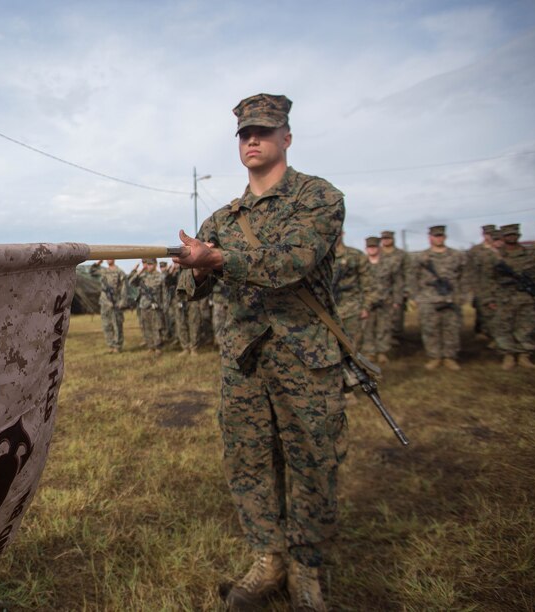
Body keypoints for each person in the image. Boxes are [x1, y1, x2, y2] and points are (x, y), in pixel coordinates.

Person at [173, 93, 345, 611]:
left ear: (286, 138)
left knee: (313, 459)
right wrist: (197, 269)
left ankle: (308, 569)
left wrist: (220, 257)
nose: (252, 140)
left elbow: (292, 260)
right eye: (245, 133)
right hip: (244, 362)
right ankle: (269, 557)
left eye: (264, 132)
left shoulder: (319, 198)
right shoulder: (223, 217)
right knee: (248, 461)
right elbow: (187, 290)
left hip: (305, 357)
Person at [406, 225, 465, 371]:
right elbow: (412, 277)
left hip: (451, 299)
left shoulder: (456, 256)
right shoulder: (421, 257)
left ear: (444, 237)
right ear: (430, 237)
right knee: (430, 329)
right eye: (435, 236)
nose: (438, 238)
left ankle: (449, 357)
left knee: (451, 329)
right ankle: (435, 357)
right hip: (428, 299)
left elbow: (464, 277)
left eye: (440, 236)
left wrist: (461, 295)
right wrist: (416, 297)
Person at [486, 224, 535, 369]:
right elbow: (488, 279)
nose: (511, 237)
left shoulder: (530, 255)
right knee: (503, 327)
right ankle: (508, 356)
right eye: (508, 235)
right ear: (503, 237)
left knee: (527, 326)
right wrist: (490, 299)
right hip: (504, 298)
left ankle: (524, 355)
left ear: (519, 235)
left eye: (514, 234)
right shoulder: (495, 257)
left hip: (526, 297)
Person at [332, 233, 374, 354]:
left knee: (354, 348)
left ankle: (355, 371)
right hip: (326, 311)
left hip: (352, 310)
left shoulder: (356, 256)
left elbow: (369, 284)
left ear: (342, 233)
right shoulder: (320, 257)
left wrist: (366, 306)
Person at [362, 237, 397, 363]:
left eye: (374, 247)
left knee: (384, 327)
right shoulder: (362, 263)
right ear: (366, 249)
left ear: (379, 248)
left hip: (385, 301)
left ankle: (382, 352)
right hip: (368, 303)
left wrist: (396, 300)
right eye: (370, 247)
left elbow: (396, 282)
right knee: (368, 328)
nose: (372, 249)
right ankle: (370, 352)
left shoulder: (388, 263)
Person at [465, 224, 498, 340]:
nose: (491, 237)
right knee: (482, 312)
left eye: (493, 234)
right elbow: (469, 269)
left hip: (500, 288)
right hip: (482, 287)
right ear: (484, 235)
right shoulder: (475, 251)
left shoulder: (500, 249)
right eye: (488, 234)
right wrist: (473, 287)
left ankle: (497, 336)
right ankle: (482, 332)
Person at [88, 259, 128, 352]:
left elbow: (124, 289)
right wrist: (98, 262)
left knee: (117, 325)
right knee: (106, 325)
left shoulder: (120, 272)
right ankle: (111, 345)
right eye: (107, 258)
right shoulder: (103, 270)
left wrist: (122, 302)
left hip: (115, 302)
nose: (108, 260)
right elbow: (91, 272)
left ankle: (117, 346)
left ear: (114, 259)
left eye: (110, 257)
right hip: (104, 302)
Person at [129, 258, 166, 353]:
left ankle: (158, 347)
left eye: (151, 264)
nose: (149, 266)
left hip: (155, 305)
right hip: (143, 304)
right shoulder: (143, 275)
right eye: (147, 264)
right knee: (146, 327)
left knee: (156, 327)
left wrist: (163, 306)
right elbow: (131, 283)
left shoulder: (160, 276)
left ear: (155, 264)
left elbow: (164, 292)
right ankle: (150, 346)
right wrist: (139, 271)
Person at [379, 230, 408, 342]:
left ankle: (396, 339)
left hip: (397, 289)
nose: (386, 240)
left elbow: (408, 272)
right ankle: (384, 340)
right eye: (384, 238)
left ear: (393, 239)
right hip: (381, 290)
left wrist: (406, 290)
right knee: (381, 317)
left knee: (397, 316)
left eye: (388, 238)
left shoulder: (401, 254)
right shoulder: (377, 253)